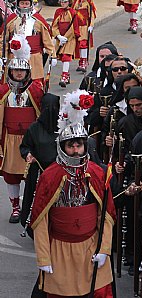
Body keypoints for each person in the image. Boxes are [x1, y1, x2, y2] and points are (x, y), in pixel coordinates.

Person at [31, 90, 115, 297]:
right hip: (60, 251)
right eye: (71, 145)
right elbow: (40, 220)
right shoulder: (50, 176)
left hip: (91, 247)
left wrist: (104, 249)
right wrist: (43, 258)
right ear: (63, 146)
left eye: (79, 145)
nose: (76, 149)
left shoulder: (96, 172)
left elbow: (106, 215)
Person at [0, 35, 44, 223]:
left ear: (27, 72)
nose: (18, 73)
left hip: (29, 140)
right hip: (10, 138)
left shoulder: (36, 91)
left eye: (22, 71)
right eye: (15, 70)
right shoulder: (3, 91)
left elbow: (41, 116)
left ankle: (31, 206)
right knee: (11, 176)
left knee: (33, 175)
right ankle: (15, 208)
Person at [1, 0, 56, 83]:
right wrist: (2, 57)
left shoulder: (38, 21)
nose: (24, 5)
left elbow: (47, 40)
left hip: (34, 59)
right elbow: (4, 41)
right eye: (22, 3)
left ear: (31, 4)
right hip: (13, 59)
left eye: (27, 3)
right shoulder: (11, 20)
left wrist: (52, 55)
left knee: (34, 88)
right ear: (18, 3)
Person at [19, 93, 59, 234]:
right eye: (47, 108)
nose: (50, 111)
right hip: (38, 170)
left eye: (54, 107)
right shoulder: (34, 128)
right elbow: (25, 146)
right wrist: (28, 154)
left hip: (58, 172)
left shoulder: (62, 126)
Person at [51, 0, 79, 88]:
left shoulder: (73, 13)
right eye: (62, 1)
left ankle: (64, 75)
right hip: (60, 38)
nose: (63, 3)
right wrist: (58, 36)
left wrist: (66, 37)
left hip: (69, 39)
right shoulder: (57, 12)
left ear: (69, 2)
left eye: (65, 1)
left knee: (67, 56)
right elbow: (54, 26)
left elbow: (74, 28)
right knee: (59, 57)